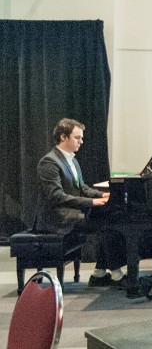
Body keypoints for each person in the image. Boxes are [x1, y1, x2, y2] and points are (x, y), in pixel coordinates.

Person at [35, 118, 125, 288]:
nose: (81, 141)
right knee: (108, 225)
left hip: (72, 212)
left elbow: (82, 188)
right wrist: (93, 202)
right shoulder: (49, 162)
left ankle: (100, 273)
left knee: (113, 218)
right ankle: (116, 275)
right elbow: (56, 196)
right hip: (58, 218)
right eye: (77, 138)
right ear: (63, 137)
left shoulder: (72, 160)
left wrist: (105, 195)